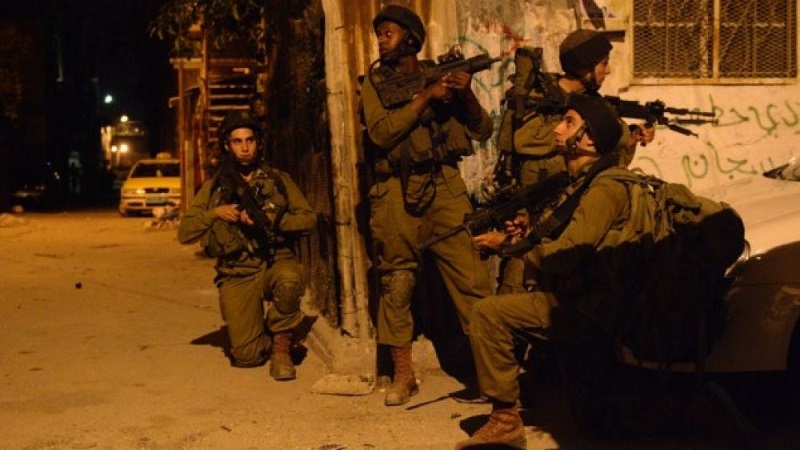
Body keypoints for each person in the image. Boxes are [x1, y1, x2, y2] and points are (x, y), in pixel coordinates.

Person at [458, 94, 638, 449]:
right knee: (596, 425)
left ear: (590, 140)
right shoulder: (579, 182)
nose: (557, 129)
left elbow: (565, 257)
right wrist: (526, 234)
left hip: (592, 308)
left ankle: (505, 422)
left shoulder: (604, 189)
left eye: (569, 123)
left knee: (487, 313)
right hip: (578, 299)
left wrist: (510, 247)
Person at [361, 4, 495, 406]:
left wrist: (464, 94)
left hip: (444, 184)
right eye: (379, 34)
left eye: (388, 33)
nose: (381, 40)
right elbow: (381, 133)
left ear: (411, 39)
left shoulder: (439, 74)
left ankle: (493, 376)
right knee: (397, 282)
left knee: (471, 280)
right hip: (395, 191)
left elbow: (482, 129)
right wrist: (426, 98)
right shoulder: (374, 83)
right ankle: (404, 375)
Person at [488, 28, 655, 294]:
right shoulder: (539, 99)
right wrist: (572, 129)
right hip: (533, 220)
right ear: (585, 67)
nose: (608, 70)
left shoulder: (592, 104)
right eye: (603, 63)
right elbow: (523, 140)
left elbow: (613, 160)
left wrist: (633, 138)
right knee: (511, 295)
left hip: (573, 221)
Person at [177, 111, 316, 381]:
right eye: (237, 141)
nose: (244, 147)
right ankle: (270, 333)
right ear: (227, 146)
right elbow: (185, 233)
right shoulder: (215, 187)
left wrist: (275, 220)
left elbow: (309, 219)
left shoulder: (277, 180)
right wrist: (215, 213)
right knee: (246, 357)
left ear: (258, 143)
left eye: (250, 140)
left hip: (275, 262)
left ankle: (282, 349)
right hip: (238, 272)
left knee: (289, 280)